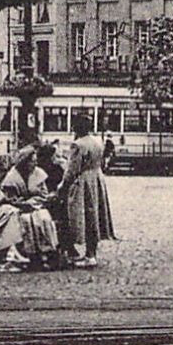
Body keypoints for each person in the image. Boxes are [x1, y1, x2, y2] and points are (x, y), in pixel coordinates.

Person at [60, 114, 116, 268]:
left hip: (83, 181)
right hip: (97, 178)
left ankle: (81, 253)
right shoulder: (98, 141)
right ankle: (92, 253)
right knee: (95, 215)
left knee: (81, 215)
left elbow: (72, 170)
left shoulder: (78, 145)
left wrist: (62, 186)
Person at [1, 146, 61, 269]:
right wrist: (22, 203)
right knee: (27, 221)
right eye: (32, 161)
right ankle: (33, 256)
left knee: (44, 219)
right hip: (20, 208)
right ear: (24, 162)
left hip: (37, 205)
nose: (35, 164)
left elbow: (43, 194)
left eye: (35, 161)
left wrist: (35, 202)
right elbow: (9, 198)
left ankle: (50, 253)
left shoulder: (39, 173)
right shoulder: (11, 177)